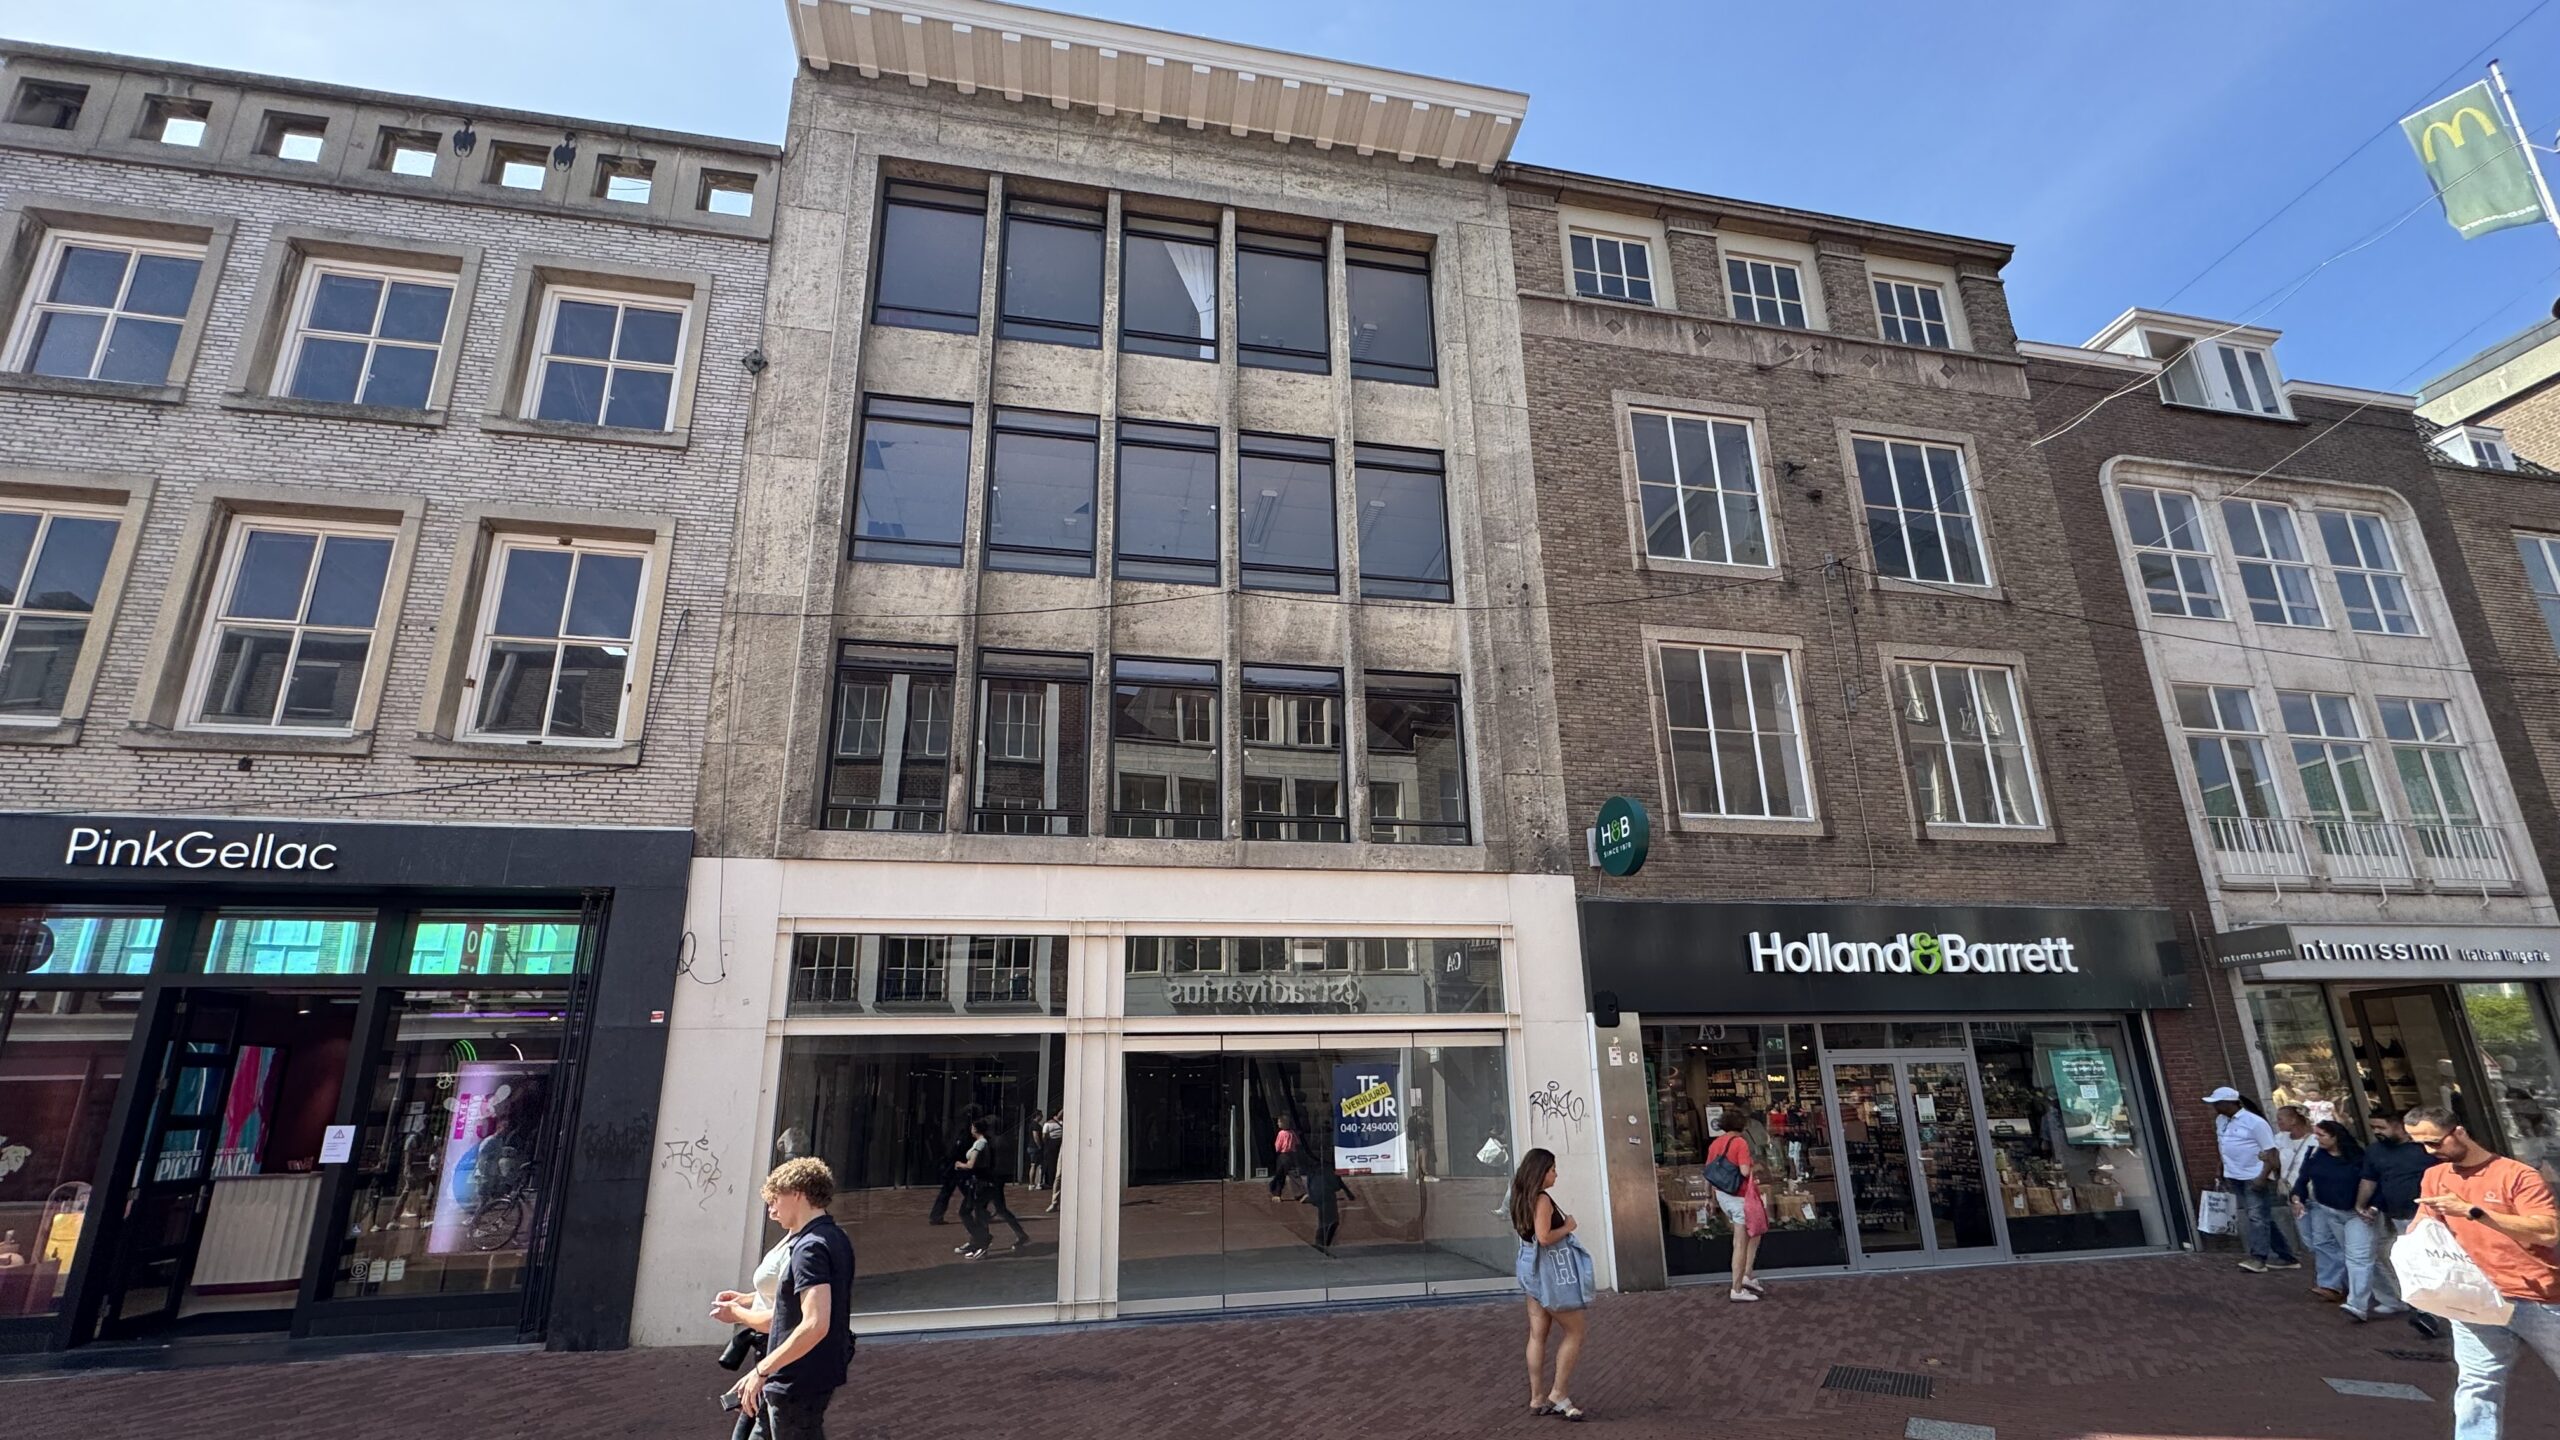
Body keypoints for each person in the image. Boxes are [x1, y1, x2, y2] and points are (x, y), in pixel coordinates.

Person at [2403, 1105, 2560, 1440]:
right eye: (2421, 1144)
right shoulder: (2435, 1176)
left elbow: (2547, 1232)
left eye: (2435, 1142)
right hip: (2475, 1298)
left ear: (2459, 1132)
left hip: (2538, 1297)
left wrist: (2473, 1211)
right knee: (2476, 1384)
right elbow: (2425, 1225)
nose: (2429, 1151)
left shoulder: (2517, 1175)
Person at [718, 1158, 853, 1440]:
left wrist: (762, 1370)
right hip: (798, 1376)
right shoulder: (834, 1237)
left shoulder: (810, 1248)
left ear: (797, 1194)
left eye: (776, 1199)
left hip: (796, 1380)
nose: (772, 1210)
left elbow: (815, 1324)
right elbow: (795, 1302)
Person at [1509, 1147, 1588, 1423]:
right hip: (1549, 1271)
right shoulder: (1541, 1199)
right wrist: (1567, 1227)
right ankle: (1558, 1393)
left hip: (1529, 1267)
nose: (1556, 1174)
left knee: (1537, 1334)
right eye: (1553, 1169)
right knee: (1575, 1331)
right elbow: (1544, 1237)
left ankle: (1536, 1397)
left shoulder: (1519, 1195)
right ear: (1541, 1172)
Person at [2207, 1086, 2300, 1273]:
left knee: (2257, 1217)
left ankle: (2258, 1258)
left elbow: (2271, 1152)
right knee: (2262, 1216)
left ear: (2229, 1103)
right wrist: (2221, 1168)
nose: (2215, 1107)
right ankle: (2286, 1256)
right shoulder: (2221, 1121)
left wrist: (2262, 1177)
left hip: (2253, 1175)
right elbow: (2224, 1145)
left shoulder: (2255, 1122)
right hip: (2234, 1175)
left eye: (2218, 1103)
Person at [712, 1234, 793, 1440]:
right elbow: (776, 1291)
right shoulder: (786, 1239)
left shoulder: (802, 1247)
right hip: (766, 1353)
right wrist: (745, 1299)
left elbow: (779, 1319)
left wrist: (737, 1313)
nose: (772, 1215)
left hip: (780, 1353)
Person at [2356, 1111, 2431, 1333]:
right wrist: (2361, 1204)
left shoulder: (2422, 1148)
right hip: (2393, 1213)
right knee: (2395, 1257)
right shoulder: (2375, 1151)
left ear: (2398, 1126)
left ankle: (2428, 1306)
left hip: (2424, 1213)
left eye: (2381, 1127)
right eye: (2373, 1128)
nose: (2377, 1132)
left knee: (2424, 1257)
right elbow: (2369, 1179)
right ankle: (2414, 1302)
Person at [2291, 1120, 2365, 1310]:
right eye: (2316, 1135)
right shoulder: (2315, 1155)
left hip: (2351, 1209)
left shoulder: (2356, 1157)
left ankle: (2347, 1286)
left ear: (2335, 1136)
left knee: (2351, 1249)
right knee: (2321, 1242)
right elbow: (2303, 1178)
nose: (2317, 1139)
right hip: (2324, 1205)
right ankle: (2331, 1284)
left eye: (2322, 1135)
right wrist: (2297, 1198)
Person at [1705, 1107, 1766, 1304]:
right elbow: (1745, 1171)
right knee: (1740, 1242)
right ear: (1742, 1125)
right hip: (1738, 1196)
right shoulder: (1740, 1142)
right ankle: (1737, 1289)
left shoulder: (1715, 1144)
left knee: (1754, 1233)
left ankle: (1746, 1274)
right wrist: (1757, 1166)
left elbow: (1708, 1173)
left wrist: (1709, 1198)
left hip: (1723, 1195)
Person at [953, 1116, 1028, 1259]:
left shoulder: (990, 1142)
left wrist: (961, 1165)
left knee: (982, 1211)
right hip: (989, 1180)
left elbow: (979, 1164)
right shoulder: (991, 1141)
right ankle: (978, 1241)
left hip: (988, 1181)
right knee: (986, 1210)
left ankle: (981, 1242)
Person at [2274, 1105, 2317, 1281]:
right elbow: (2276, 1162)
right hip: (2294, 1194)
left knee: (2323, 1236)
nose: (2278, 1122)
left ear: (2293, 1120)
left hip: (2315, 1192)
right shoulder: (2279, 1139)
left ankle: (2332, 1278)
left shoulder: (2315, 1140)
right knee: (2307, 1238)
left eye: (2280, 1119)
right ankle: (2326, 1272)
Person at [925, 1105, 983, 1226]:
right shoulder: (967, 1131)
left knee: (950, 1191)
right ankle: (980, 1213)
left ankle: (936, 1215)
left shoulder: (959, 1129)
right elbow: (961, 1149)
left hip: (953, 1164)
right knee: (969, 1191)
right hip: (958, 1165)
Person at [1270, 1116, 1301, 1201]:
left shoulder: (1281, 1133)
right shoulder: (1292, 1133)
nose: (1277, 1123)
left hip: (1283, 1155)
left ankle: (1276, 1193)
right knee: (1293, 1174)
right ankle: (1300, 1193)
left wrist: (1277, 1150)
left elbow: (1278, 1146)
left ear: (1283, 1123)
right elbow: (1297, 1142)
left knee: (1280, 1174)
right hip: (1291, 1155)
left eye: (1279, 1122)